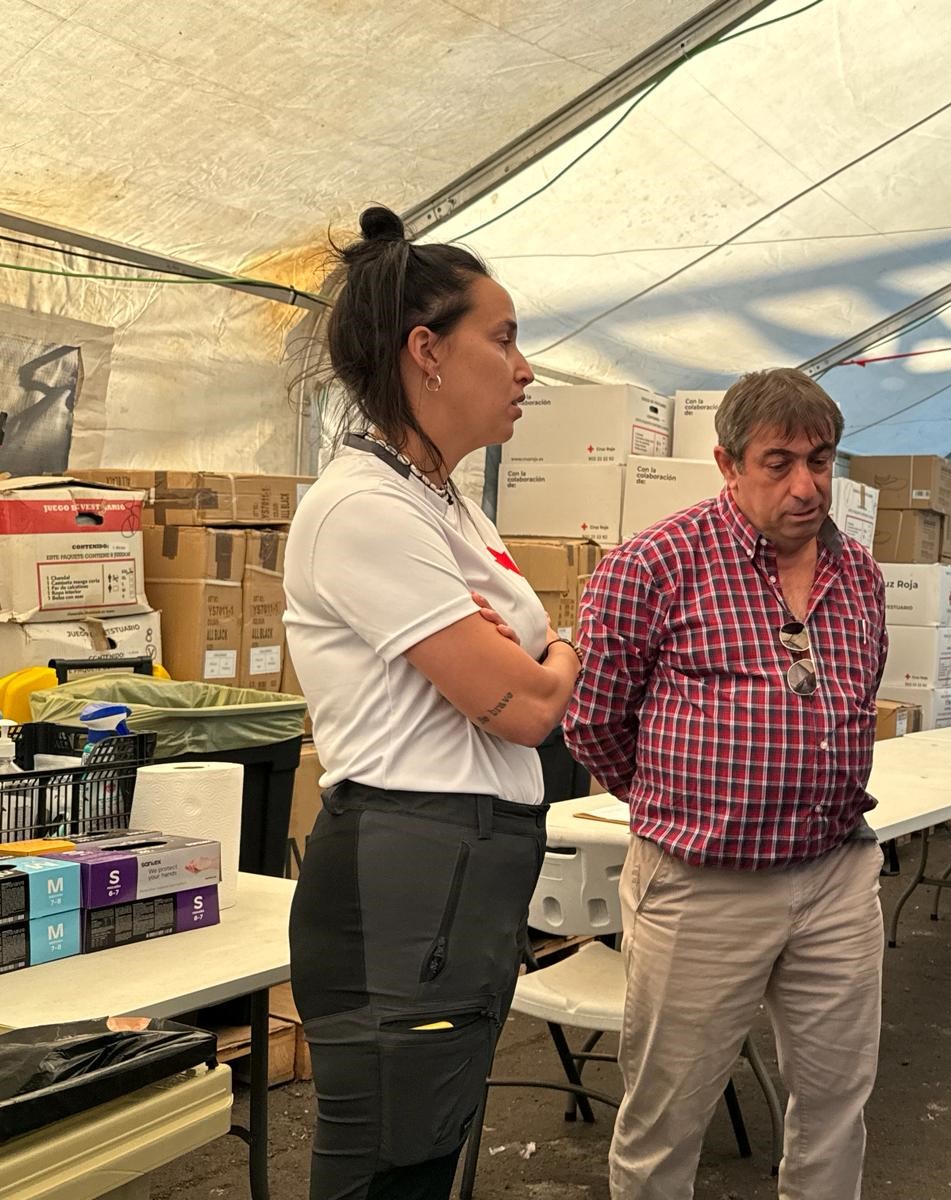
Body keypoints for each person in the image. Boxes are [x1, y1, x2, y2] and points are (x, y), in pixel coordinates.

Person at [284, 205, 581, 1200]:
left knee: (426, 1151)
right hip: (408, 874)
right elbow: (528, 703)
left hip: (462, 877)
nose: (525, 367)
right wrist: (575, 641)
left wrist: (534, 664)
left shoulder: (442, 502)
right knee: (384, 1169)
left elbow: (520, 672)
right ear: (427, 352)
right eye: (502, 339)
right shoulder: (365, 510)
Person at [563, 367, 888, 1200]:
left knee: (835, 1103)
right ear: (728, 463)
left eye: (821, 460)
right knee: (668, 1116)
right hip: (702, 886)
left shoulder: (859, 576)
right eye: (778, 462)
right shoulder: (653, 567)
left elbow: (854, 700)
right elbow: (594, 721)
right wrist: (687, 808)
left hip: (834, 872)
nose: (806, 485)